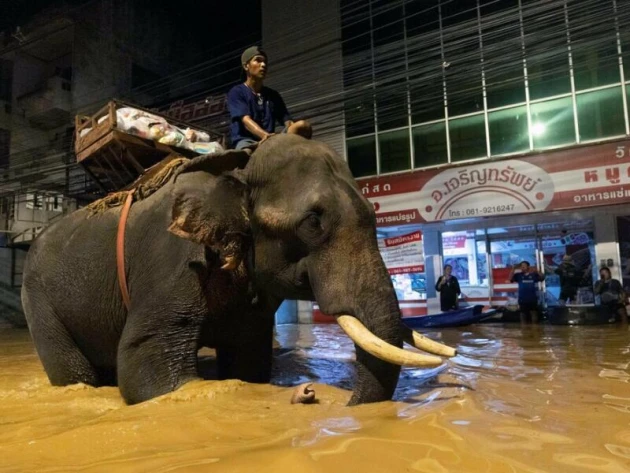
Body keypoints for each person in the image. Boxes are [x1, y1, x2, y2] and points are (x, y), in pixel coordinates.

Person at [227, 46, 312, 150]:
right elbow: (246, 122)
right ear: (246, 66)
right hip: (246, 141)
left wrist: (292, 129)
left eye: (265, 62)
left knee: (303, 125)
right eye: (258, 60)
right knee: (244, 154)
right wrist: (265, 136)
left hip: (272, 138)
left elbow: (287, 120)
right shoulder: (236, 92)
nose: (263, 65)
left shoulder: (273, 95)